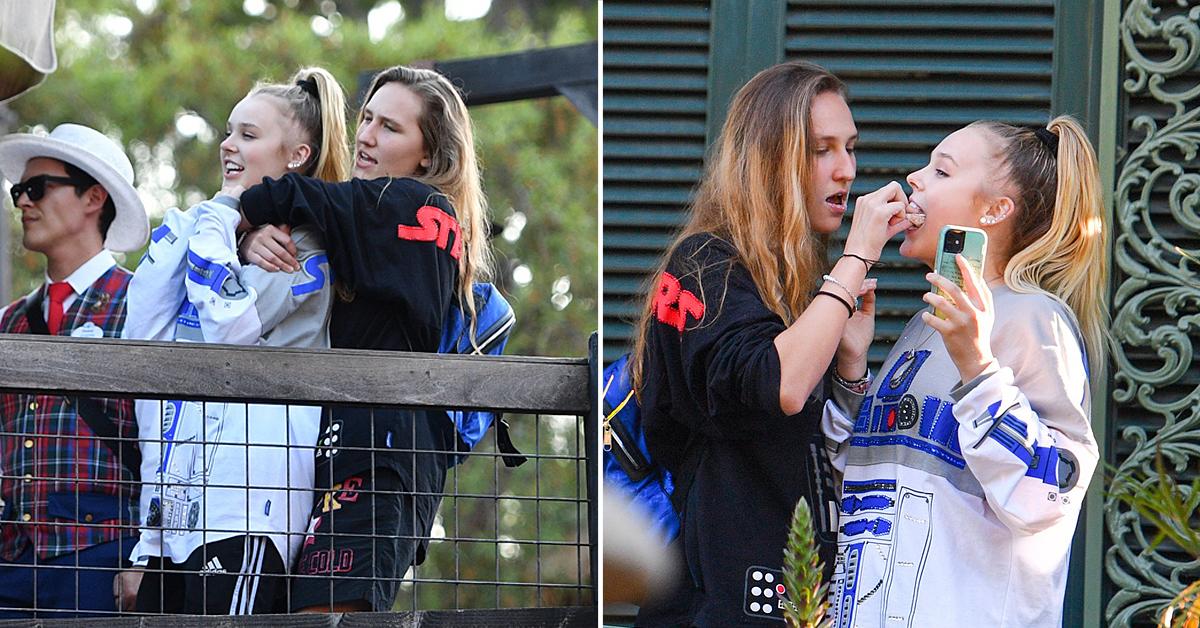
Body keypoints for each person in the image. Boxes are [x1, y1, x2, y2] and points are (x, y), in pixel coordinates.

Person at [629, 61, 904, 626]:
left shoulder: (803, 281)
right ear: (771, 159)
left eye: (850, 148)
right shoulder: (703, 263)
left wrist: (850, 367)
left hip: (795, 598)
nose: (847, 170)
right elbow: (778, 385)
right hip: (712, 603)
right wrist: (856, 259)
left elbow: (817, 450)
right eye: (821, 149)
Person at [822, 116, 1106, 627]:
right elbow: (859, 488)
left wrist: (977, 367)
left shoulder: (1033, 317)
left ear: (996, 210)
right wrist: (851, 369)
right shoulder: (926, 324)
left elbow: (1052, 490)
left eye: (942, 171)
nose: (915, 179)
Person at [234, 64, 492, 612]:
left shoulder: (411, 206)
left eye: (391, 128)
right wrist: (255, 241)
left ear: (430, 154)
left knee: (330, 619)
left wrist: (250, 227)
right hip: (354, 455)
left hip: (380, 459)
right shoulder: (378, 218)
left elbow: (275, 196)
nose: (367, 136)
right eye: (367, 118)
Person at [118, 67, 350, 615]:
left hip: (246, 515)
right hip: (173, 521)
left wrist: (225, 230)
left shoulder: (305, 244)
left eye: (248, 134)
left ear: (296, 154)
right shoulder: (221, 233)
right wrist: (221, 220)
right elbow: (142, 331)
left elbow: (229, 335)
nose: (228, 144)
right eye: (229, 131)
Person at [0, 122, 150, 617]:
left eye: (37, 188)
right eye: (19, 190)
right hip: (11, 559)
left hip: (103, 560)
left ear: (92, 197)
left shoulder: (145, 304)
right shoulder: (10, 321)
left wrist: (150, 553)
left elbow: (172, 444)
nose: (23, 201)